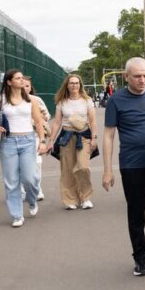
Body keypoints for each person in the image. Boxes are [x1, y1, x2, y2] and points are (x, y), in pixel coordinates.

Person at [102, 57, 145, 276]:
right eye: (137, 76)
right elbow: (108, 135)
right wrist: (107, 170)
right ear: (126, 77)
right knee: (136, 214)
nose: (143, 80)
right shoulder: (116, 100)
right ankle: (140, 259)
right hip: (132, 165)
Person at [0, 70, 48, 227]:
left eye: (23, 78)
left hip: (28, 140)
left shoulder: (30, 100)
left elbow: (38, 121)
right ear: (9, 82)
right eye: (18, 78)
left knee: (30, 178)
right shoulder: (0, 100)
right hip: (8, 142)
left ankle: (32, 199)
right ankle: (16, 215)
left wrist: (42, 141)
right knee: (11, 181)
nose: (22, 80)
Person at [49, 74, 97, 210]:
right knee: (68, 169)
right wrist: (51, 140)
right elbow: (57, 122)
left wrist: (94, 138)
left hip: (84, 135)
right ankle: (70, 199)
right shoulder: (62, 102)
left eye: (77, 83)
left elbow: (92, 121)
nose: (74, 85)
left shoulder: (87, 100)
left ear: (80, 85)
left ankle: (86, 197)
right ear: (67, 85)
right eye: (71, 83)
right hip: (66, 136)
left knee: (83, 167)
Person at [23, 76, 51, 202]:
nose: (24, 88)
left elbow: (47, 115)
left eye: (27, 86)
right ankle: (22, 191)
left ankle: (37, 188)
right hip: (17, 137)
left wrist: (42, 117)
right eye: (22, 85)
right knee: (19, 166)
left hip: (35, 134)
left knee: (37, 164)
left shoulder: (36, 99)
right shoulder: (8, 100)